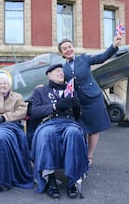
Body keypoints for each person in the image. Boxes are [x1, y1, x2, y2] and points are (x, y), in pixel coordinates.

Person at [58, 35, 122, 166]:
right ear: (62, 53)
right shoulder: (62, 69)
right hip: (78, 103)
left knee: (94, 128)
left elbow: (102, 57)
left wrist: (114, 45)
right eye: (64, 49)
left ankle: (89, 156)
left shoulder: (84, 59)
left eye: (69, 47)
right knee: (81, 129)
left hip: (93, 98)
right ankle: (81, 154)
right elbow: (59, 83)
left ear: (73, 48)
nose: (68, 49)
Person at [29, 64, 88, 199]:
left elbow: (78, 116)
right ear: (48, 74)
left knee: (74, 133)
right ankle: (50, 178)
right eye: (57, 71)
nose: (61, 73)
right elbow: (34, 112)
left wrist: (77, 107)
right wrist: (55, 106)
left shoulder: (71, 90)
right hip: (48, 122)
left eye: (62, 72)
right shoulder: (40, 91)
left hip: (69, 122)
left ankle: (72, 180)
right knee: (47, 134)